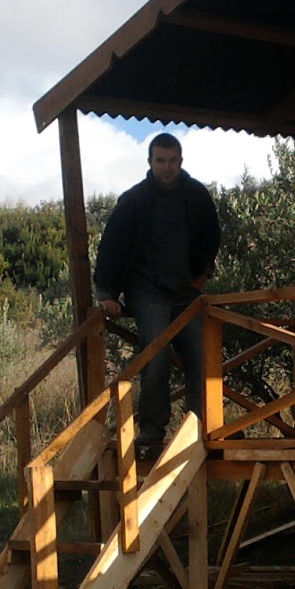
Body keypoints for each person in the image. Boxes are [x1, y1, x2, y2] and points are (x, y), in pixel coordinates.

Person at [93, 132, 221, 460]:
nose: (167, 167)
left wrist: (204, 272)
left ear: (181, 161)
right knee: (156, 355)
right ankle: (151, 432)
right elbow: (112, 246)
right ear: (150, 162)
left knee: (202, 356)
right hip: (146, 290)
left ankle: (203, 427)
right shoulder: (134, 200)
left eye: (172, 160)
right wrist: (107, 292)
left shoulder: (195, 196)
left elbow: (211, 235)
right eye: (160, 160)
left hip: (185, 291)